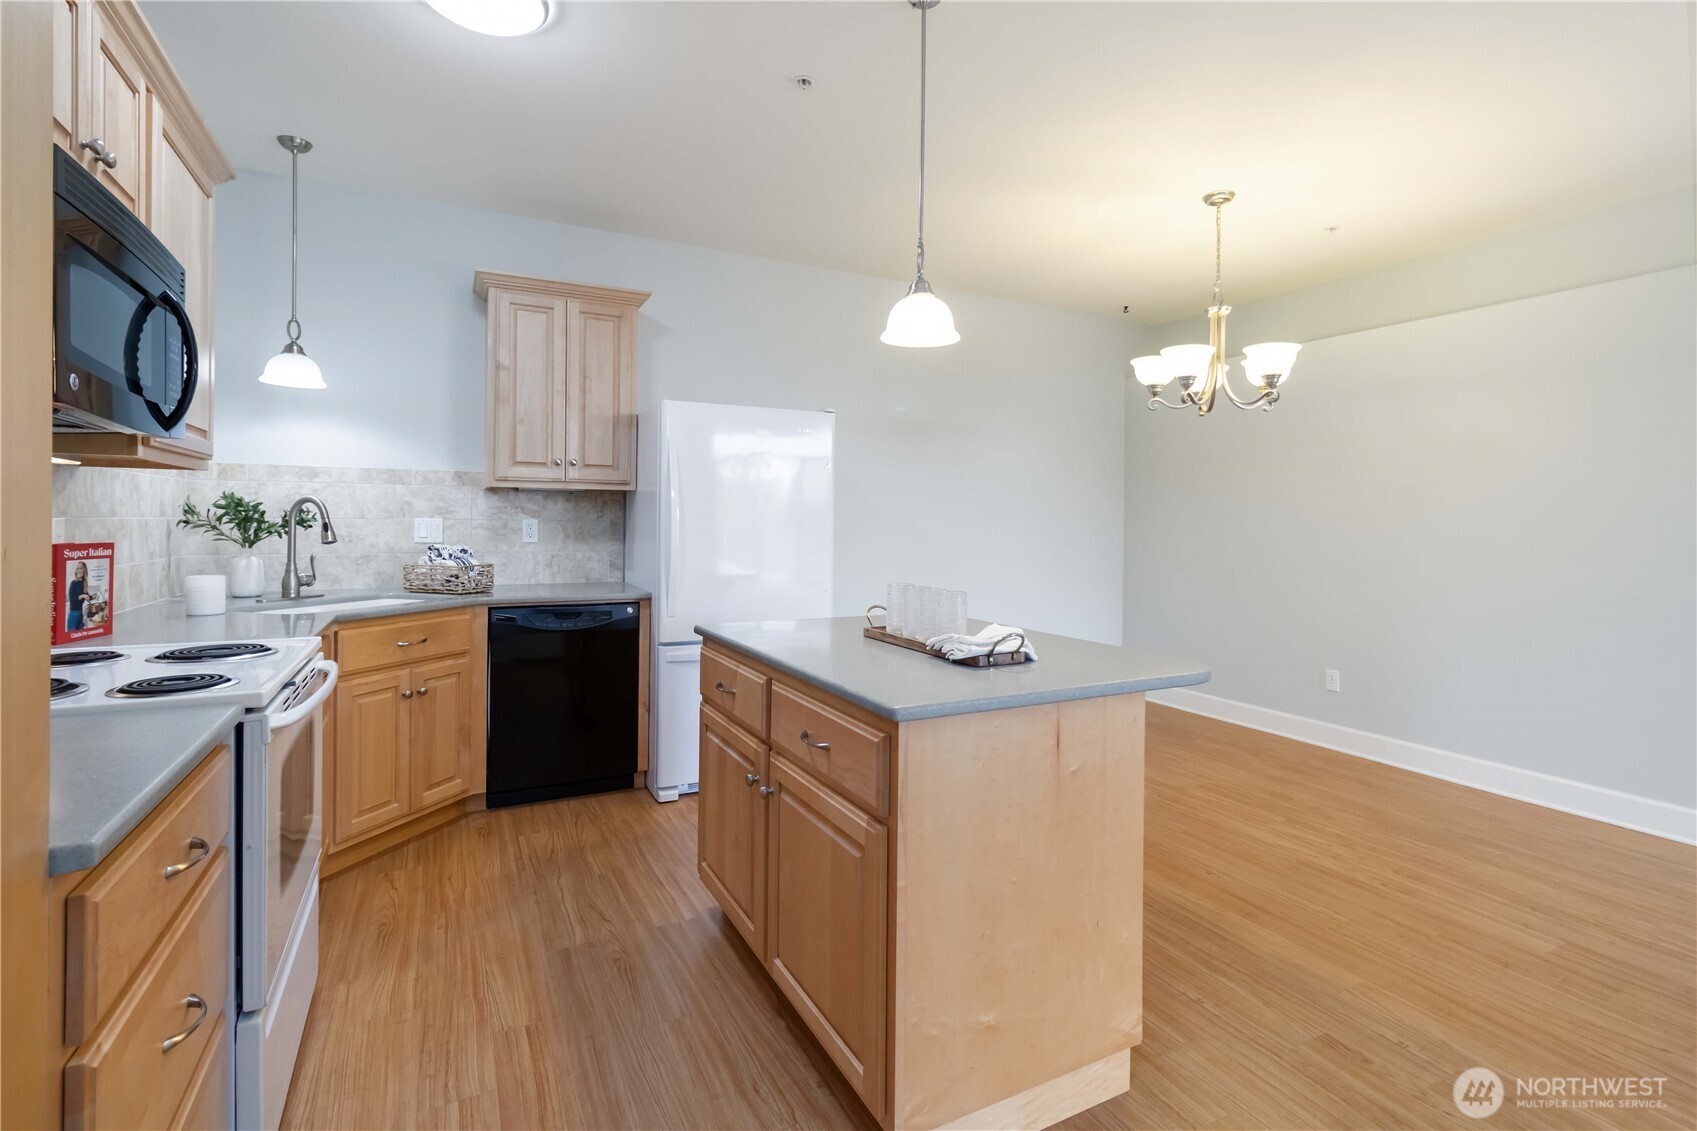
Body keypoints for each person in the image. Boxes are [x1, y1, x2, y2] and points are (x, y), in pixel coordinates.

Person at [67, 562, 88, 631]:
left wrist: (94, 596)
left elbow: (87, 596)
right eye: (77, 569)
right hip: (73, 614)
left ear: (84, 570)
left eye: (81, 568)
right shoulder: (73, 583)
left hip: (80, 614)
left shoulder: (84, 584)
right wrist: (82, 596)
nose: (79, 570)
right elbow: (72, 600)